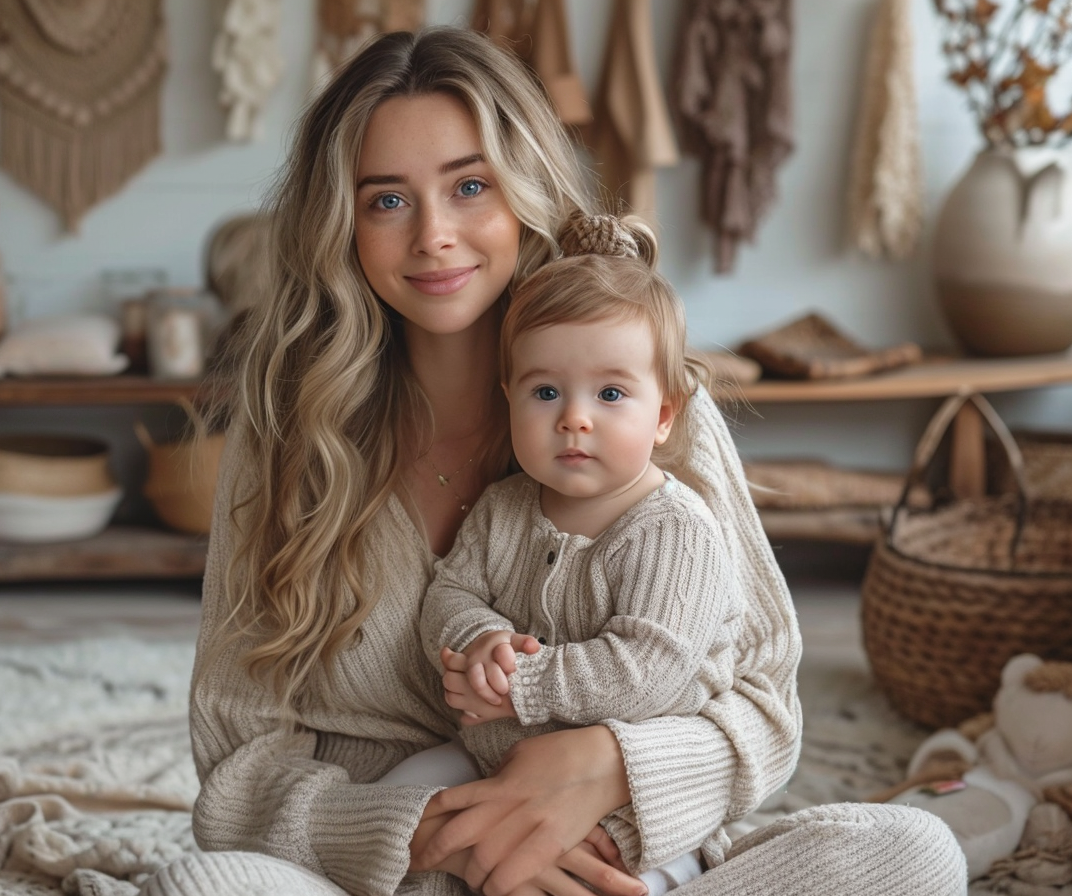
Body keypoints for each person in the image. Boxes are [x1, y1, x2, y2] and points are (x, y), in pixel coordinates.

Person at [170, 25, 965, 896]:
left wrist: (604, 766)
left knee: (914, 856)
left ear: (525, 191)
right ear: (341, 225)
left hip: (618, 849)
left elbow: (767, 706)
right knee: (200, 887)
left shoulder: (644, 399)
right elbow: (236, 762)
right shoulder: (291, 425)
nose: (435, 236)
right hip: (392, 866)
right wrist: (429, 832)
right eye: (386, 200)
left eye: (470, 186)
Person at [404, 211, 735, 895]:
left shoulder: (674, 528)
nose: (574, 418)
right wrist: (481, 640)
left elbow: (650, 671)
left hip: (626, 795)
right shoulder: (506, 508)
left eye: (611, 394)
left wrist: (522, 684)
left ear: (666, 413)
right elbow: (449, 592)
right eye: (546, 391)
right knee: (407, 798)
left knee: (618, 872)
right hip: (491, 762)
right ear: (511, 398)